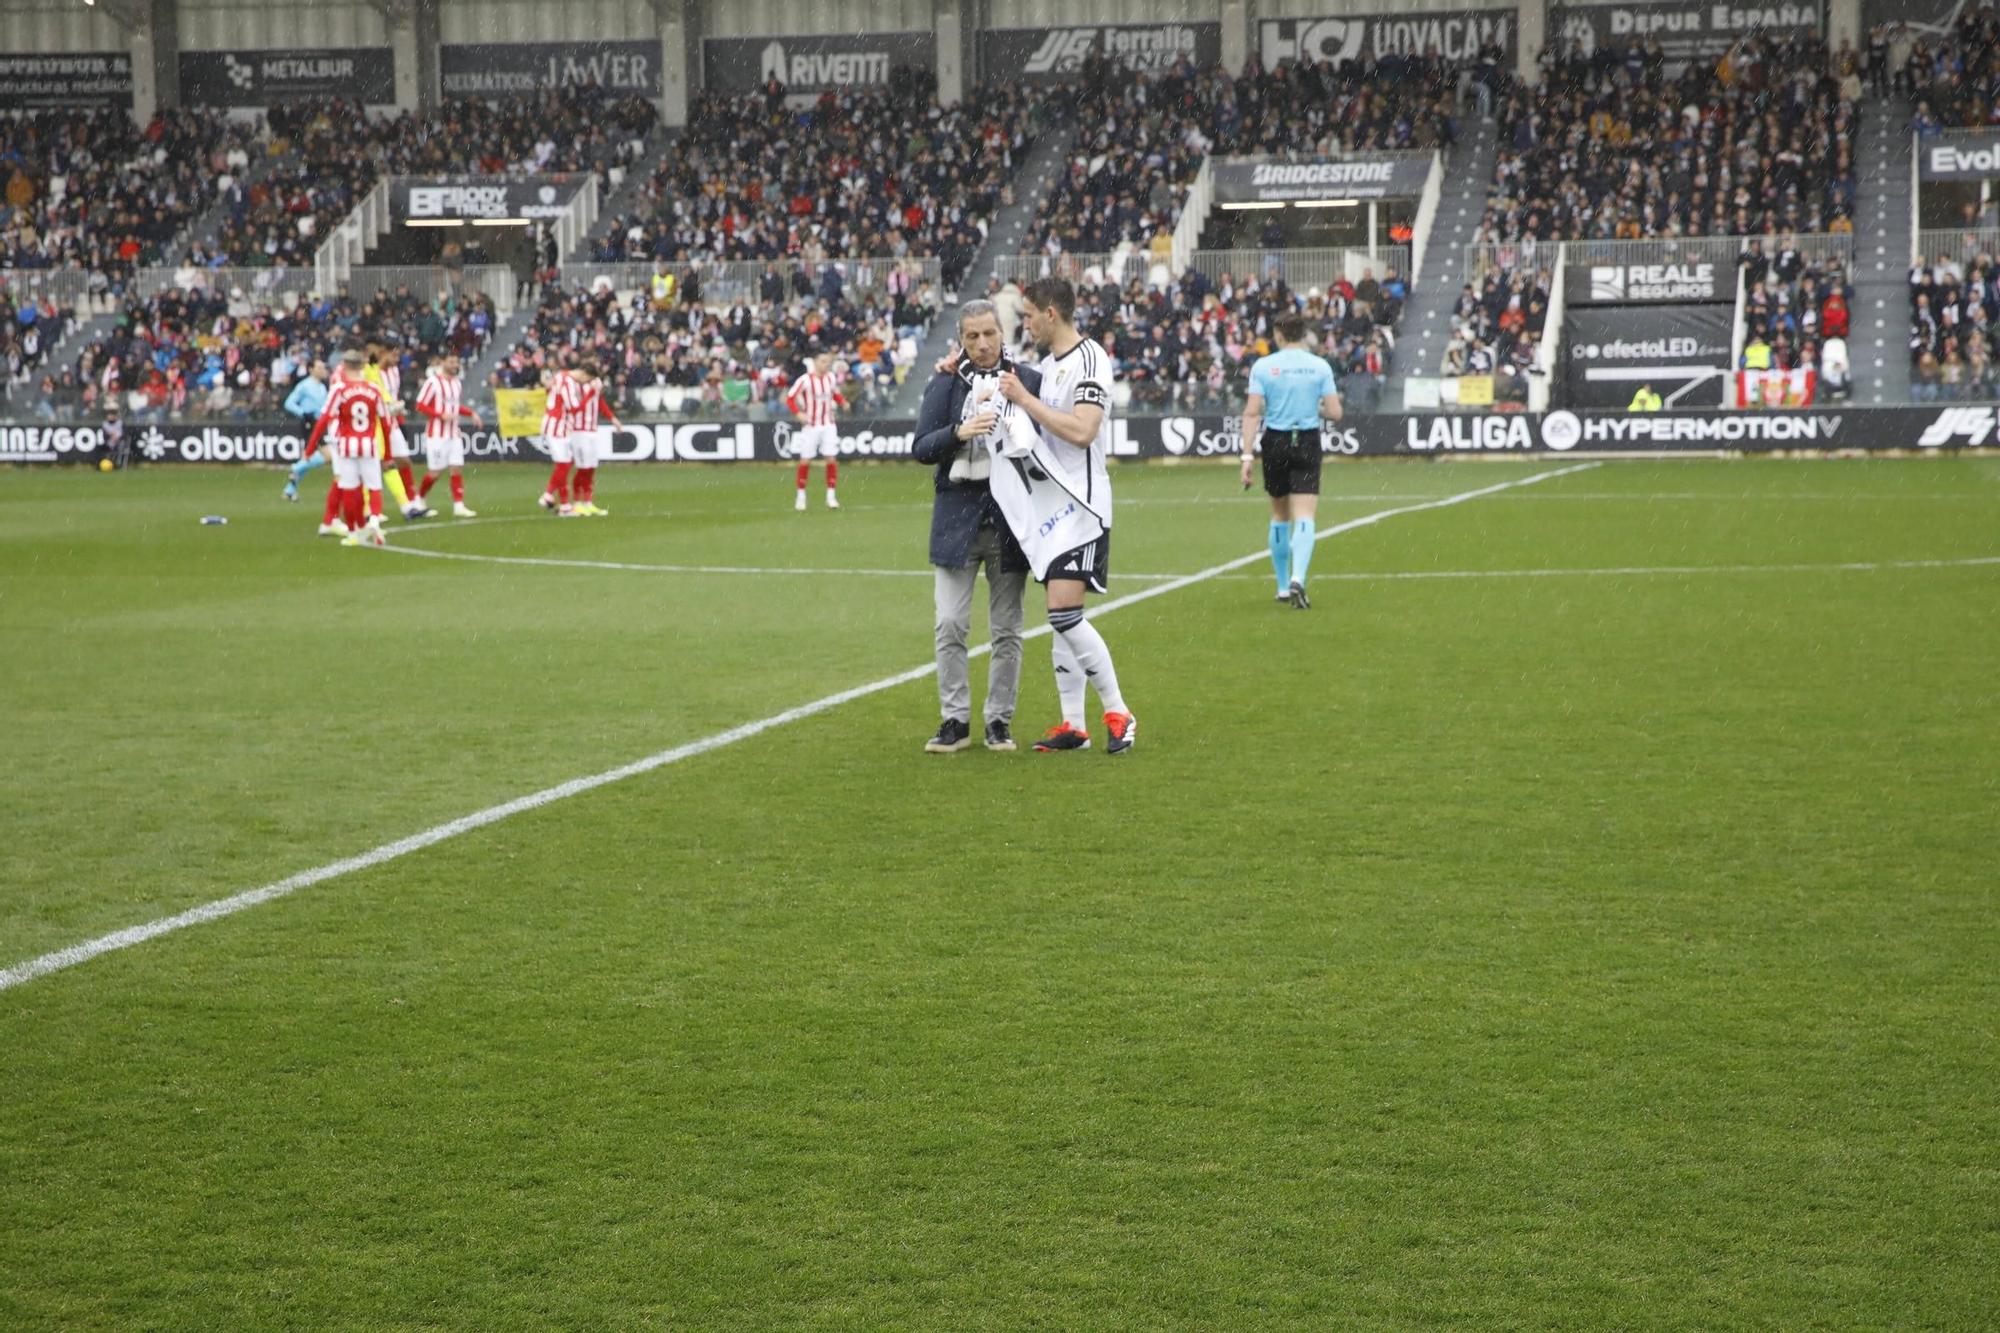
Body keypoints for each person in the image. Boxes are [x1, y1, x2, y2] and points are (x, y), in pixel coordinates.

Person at [990, 276, 1137, 755]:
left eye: (1029, 315)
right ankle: (1074, 724)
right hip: (1053, 505)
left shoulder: (1090, 359)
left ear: (1051, 314)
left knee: (1065, 613)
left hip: (1083, 508)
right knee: (1061, 617)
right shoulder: (1048, 365)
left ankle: (1119, 711)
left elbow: (1083, 431)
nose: (1024, 324)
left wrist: (1026, 402)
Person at [912, 300, 1034, 754]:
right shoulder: (944, 384)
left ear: (1003, 333)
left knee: (1007, 629)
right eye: (972, 337)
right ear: (960, 340)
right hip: (956, 521)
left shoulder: (1026, 381)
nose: (982, 344)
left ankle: (999, 721)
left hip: (1009, 523)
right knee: (949, 624)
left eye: (989, 334)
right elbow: (921, 448)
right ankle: (955, 720)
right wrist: (958, 434)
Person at [1238, 312, 1342, 610]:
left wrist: (1247, 456)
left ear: (1279, 335)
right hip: (1306, 438)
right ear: (1302, 333)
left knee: (1279, 514)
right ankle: (1299, 576)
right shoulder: (1319, 366)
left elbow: (1252, 412)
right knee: (1306, 515)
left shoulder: (1264, 366)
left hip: (1276, 440)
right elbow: (1336, 413)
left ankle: (1283, 586)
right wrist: (1314, 406)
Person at [303, 351, 393, 548]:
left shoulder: (339, 389)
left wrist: (310, 448)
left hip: (346, 446)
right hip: (368, 445)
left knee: (350, 490)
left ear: (344, 365)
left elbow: (324, 419)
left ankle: (353, 532)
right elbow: (386, 422)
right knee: (374, 486)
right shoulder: (374, 389)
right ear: (362, 366)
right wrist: (387, 454)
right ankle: (375, 520)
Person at [415, 353, 482, 518]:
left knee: (456, 468)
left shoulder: (457, 383)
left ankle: (459, 505)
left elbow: (455, 407)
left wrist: (471, 413)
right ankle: (419, 500)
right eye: (451, 362)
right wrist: (440, 415)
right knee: (434, 473)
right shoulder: (433, 382)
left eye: (456, 362)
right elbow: (420, 405)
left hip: (454, 434)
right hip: (437, 435)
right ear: (442, 362)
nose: (454, 365)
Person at [784, 349, 847, 511]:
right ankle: (801, 496)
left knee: (831, 459)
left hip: (828, 424)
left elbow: (835, 394)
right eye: (823, 361)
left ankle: (831, 496)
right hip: (811, 425)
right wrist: (798, 413)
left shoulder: (831, 378)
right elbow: (790, 398)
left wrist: (843, 402)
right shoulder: (805, 380)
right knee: (805, 460)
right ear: (815, 362)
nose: (826, 364)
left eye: (828, 361)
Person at [568, 360, 616, 517]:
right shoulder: (574, 383)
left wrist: (612, 419)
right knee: (582, 467)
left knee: (591, 467)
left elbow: (599, 402)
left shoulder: (596, 382)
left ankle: (588, 502)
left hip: (592, 430)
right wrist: (590, 393)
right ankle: (576, 503)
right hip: (578, 431)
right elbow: (575, 407)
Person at [537, 358, 584, 516]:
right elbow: (572, 406)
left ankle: (564, 505)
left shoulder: (559, 376)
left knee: (565, 464)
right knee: (564, 464)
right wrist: (588, 398)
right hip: (557, 427)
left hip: (556, 425)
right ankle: (548, 494)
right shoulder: (567, 380)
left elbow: (549, 390)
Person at [280, 359, 330, 502]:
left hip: (320, 423)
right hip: (310, 424)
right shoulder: (304, 386)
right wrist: (303, 413)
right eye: (319, 367)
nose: (323, 370)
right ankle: (297, 467)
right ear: (311, 369)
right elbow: (289, 403)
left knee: (307, 457)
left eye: (323, 367)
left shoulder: (322, 387)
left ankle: (289, 490)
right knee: (328, 455)